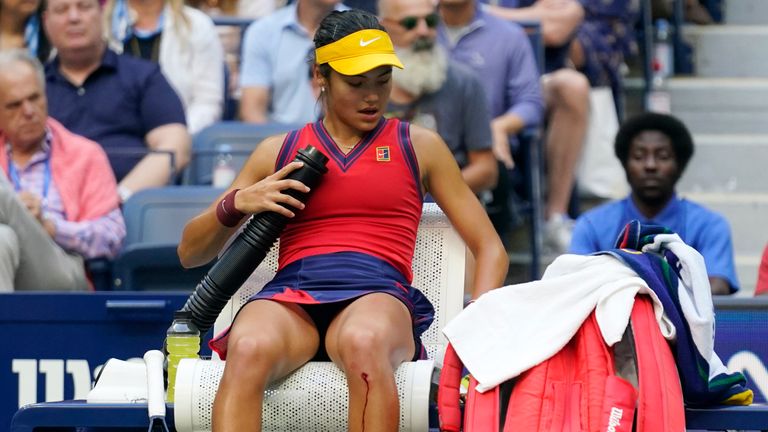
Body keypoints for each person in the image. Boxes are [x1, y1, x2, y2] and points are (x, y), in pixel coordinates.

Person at [177, 9, 508, 431]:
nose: (372, 97)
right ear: (321, 77)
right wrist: (239, 202)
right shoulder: (276, 150)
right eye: (356, 83)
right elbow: (190, 253)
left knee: (364, 342)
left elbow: (490, 247)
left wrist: (473, 336)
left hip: (376, 292)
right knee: (248, 345)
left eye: (382, 80)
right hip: (291, 297)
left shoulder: (419, 146)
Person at [569, 112, 739, 295]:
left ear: (679, 166)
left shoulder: (709, 225)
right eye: (639, 156)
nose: (650, 165)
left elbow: (717, 288)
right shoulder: (592, 225)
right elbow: (577, 287)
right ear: (625, 164)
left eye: (663, 156)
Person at [0, 50, 126, 291]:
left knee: (3, 198)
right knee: (2, 239)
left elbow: (112, 237)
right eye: (14, 105)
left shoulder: (85, 154)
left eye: (34, 98)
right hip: (7, 269)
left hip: (64, 273)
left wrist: (49, 225)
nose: (28, 111)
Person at [42, 0, 191, 202]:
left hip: (128, 208)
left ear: (102, 13)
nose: (74, 17)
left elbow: (175, 147)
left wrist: (117, 198)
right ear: (45, 21)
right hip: (49, 209)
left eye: (84, 7)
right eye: (61, 10)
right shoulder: (32, 88)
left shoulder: (143, 75)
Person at [477, 0, 591, 253]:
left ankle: (554, 218)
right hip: (465, 83)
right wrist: (529, 18)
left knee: (572, 86)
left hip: (525, 85)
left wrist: (482, 13)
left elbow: (560, 23)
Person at [378, 0, 498, 195]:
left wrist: (425, 193)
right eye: (410, 23)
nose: (424, 31)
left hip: (443, 207)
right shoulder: (364, 86)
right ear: (384, 28)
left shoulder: (465, 83)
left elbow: (486, 170)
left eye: (431, 21)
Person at [104, 0, 225, 134]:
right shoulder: (100, 25)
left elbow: (207, 102)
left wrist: (176, 136)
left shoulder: (197, 25)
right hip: (112, 142)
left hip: (181, 140)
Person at [238, 0, 346, 125]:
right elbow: (252, 111)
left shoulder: (364, 30)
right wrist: (279, 143)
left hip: (346, 139)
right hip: (283, 139)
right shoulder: (262, 31)